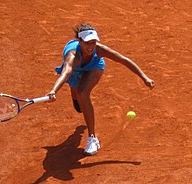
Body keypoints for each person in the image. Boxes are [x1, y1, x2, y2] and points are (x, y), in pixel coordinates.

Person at [47, 23, 154, 156]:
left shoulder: (99, 50)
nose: (91, 46)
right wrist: (54, 90)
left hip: (94, 67)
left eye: (93, 42)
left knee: (82, 92)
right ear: (79, 41)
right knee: (78, 100)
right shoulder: (72, 55)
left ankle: (93, 139)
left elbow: (124, 60)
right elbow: (66, 72)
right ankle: (76, 97)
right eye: (87, 43)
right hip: (75, 69)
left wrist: (144, 78)